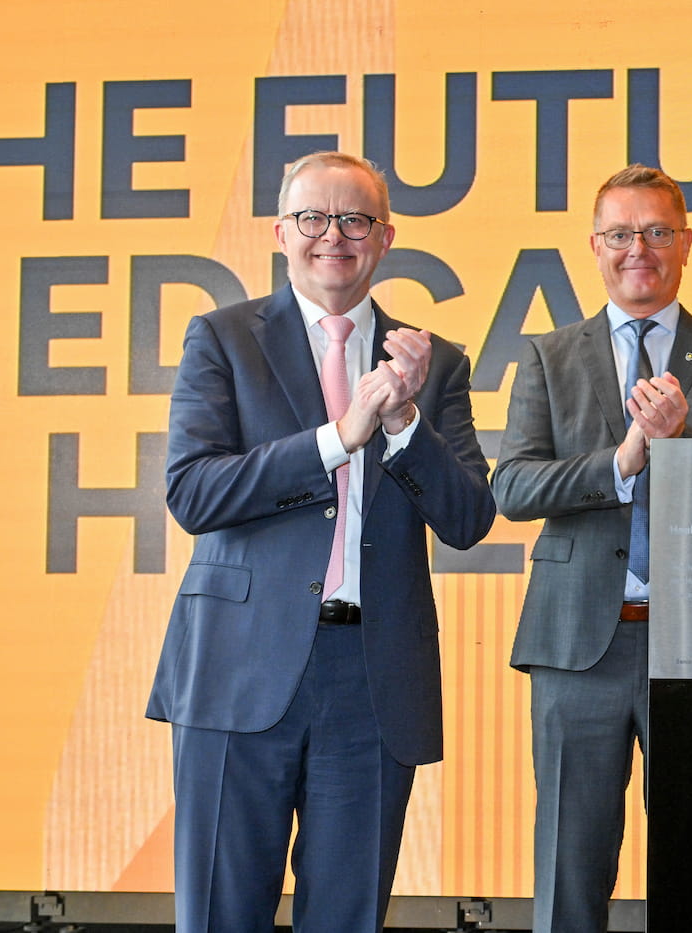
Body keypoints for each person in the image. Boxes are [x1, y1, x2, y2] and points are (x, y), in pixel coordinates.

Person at [146, 151, 495, 933]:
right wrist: (339, 438)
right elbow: (193, 491)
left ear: (385, 237)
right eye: (313, 217)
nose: (333, 235)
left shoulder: (431, 363)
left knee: (347, 915)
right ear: (281, 232)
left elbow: (469, 518)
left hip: (373, 677)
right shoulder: (223, 338)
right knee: (220, 911)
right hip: (237, 666)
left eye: (355, 220)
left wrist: (403, 422)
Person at [492, 163, 692, 933]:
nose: (638, 249)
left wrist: (678, 442)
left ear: (686, 243)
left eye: (656, 232)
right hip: (576, 643)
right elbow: (512, 486)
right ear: (594, 245)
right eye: (620, 233)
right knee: (570, 865)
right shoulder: (548, 355)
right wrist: (622, 461)